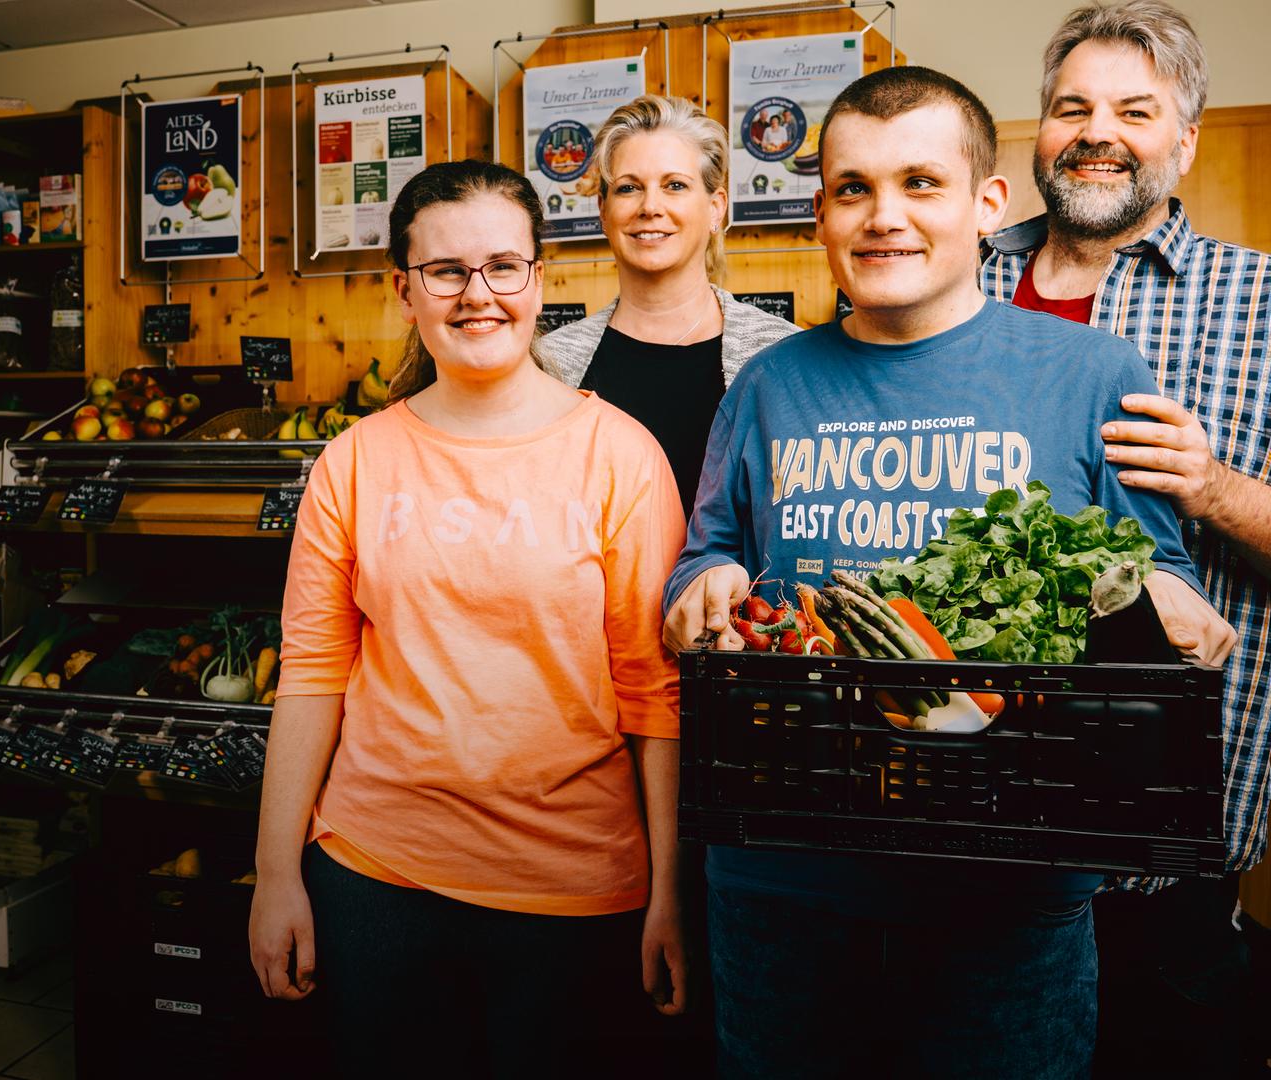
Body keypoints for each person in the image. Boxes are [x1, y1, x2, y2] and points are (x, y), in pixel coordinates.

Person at [661, 65, 1233, 1078]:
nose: (884, 217)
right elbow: (709, 557)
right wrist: (694, 598)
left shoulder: (1096, 375)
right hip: (781, 895)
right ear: (821, 211)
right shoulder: (765, 384)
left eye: (921, 183)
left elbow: (1160, 582)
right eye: (853, 188)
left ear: (988, 202)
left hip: (1010, 909)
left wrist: (1167, 612)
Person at [247, 160, 688, 1076]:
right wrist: (277, 873)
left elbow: (656, 695)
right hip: (375, 877)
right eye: (445, 271)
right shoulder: (354, 462)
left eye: (502, 267)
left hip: (573, 887)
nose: (476, 294)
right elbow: (313, 675)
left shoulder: (622, 457)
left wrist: (671, 892)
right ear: (404, 290)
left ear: (540, 279)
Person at [977, 2, 1269, 1072]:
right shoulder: (950, 273)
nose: (1098, 131)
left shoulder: (1261, 301)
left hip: (1160, 845)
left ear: (1185, 138)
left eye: (1135, 111)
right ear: (1038, 130)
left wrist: (1215, 489)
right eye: (1073, 108)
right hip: (957, 816)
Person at [538, 95, 797, 516]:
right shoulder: (551, 365)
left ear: (716, 208)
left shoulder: (781, 354)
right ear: (603, 211)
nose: (650, 207)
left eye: (675, 185)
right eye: (628, 188)